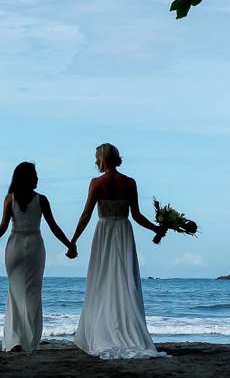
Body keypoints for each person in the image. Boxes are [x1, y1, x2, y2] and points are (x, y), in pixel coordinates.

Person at [68, 143, 165, 359]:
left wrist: (73, 241)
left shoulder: (96, 183)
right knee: (125, 279)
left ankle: (104, 331)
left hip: (104, 231)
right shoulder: (129, 182)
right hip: (123, 231)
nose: (95, 161)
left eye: (96, 157)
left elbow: (85, 215)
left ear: (102, 159)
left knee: (102, 279)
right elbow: (137, 216)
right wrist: (156, 228)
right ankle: (126, 329)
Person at [0, 161, 76, 352]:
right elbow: (54, 227)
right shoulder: (42, 199)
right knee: (32, 293)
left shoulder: (10, 198)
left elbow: (3, 227)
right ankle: (29, 340)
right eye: (35, 175)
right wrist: (70, 245)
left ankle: (15, 339)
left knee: (15, 292)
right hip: (34, 247)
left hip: (14, 246)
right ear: (27, 178)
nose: (38, 178)